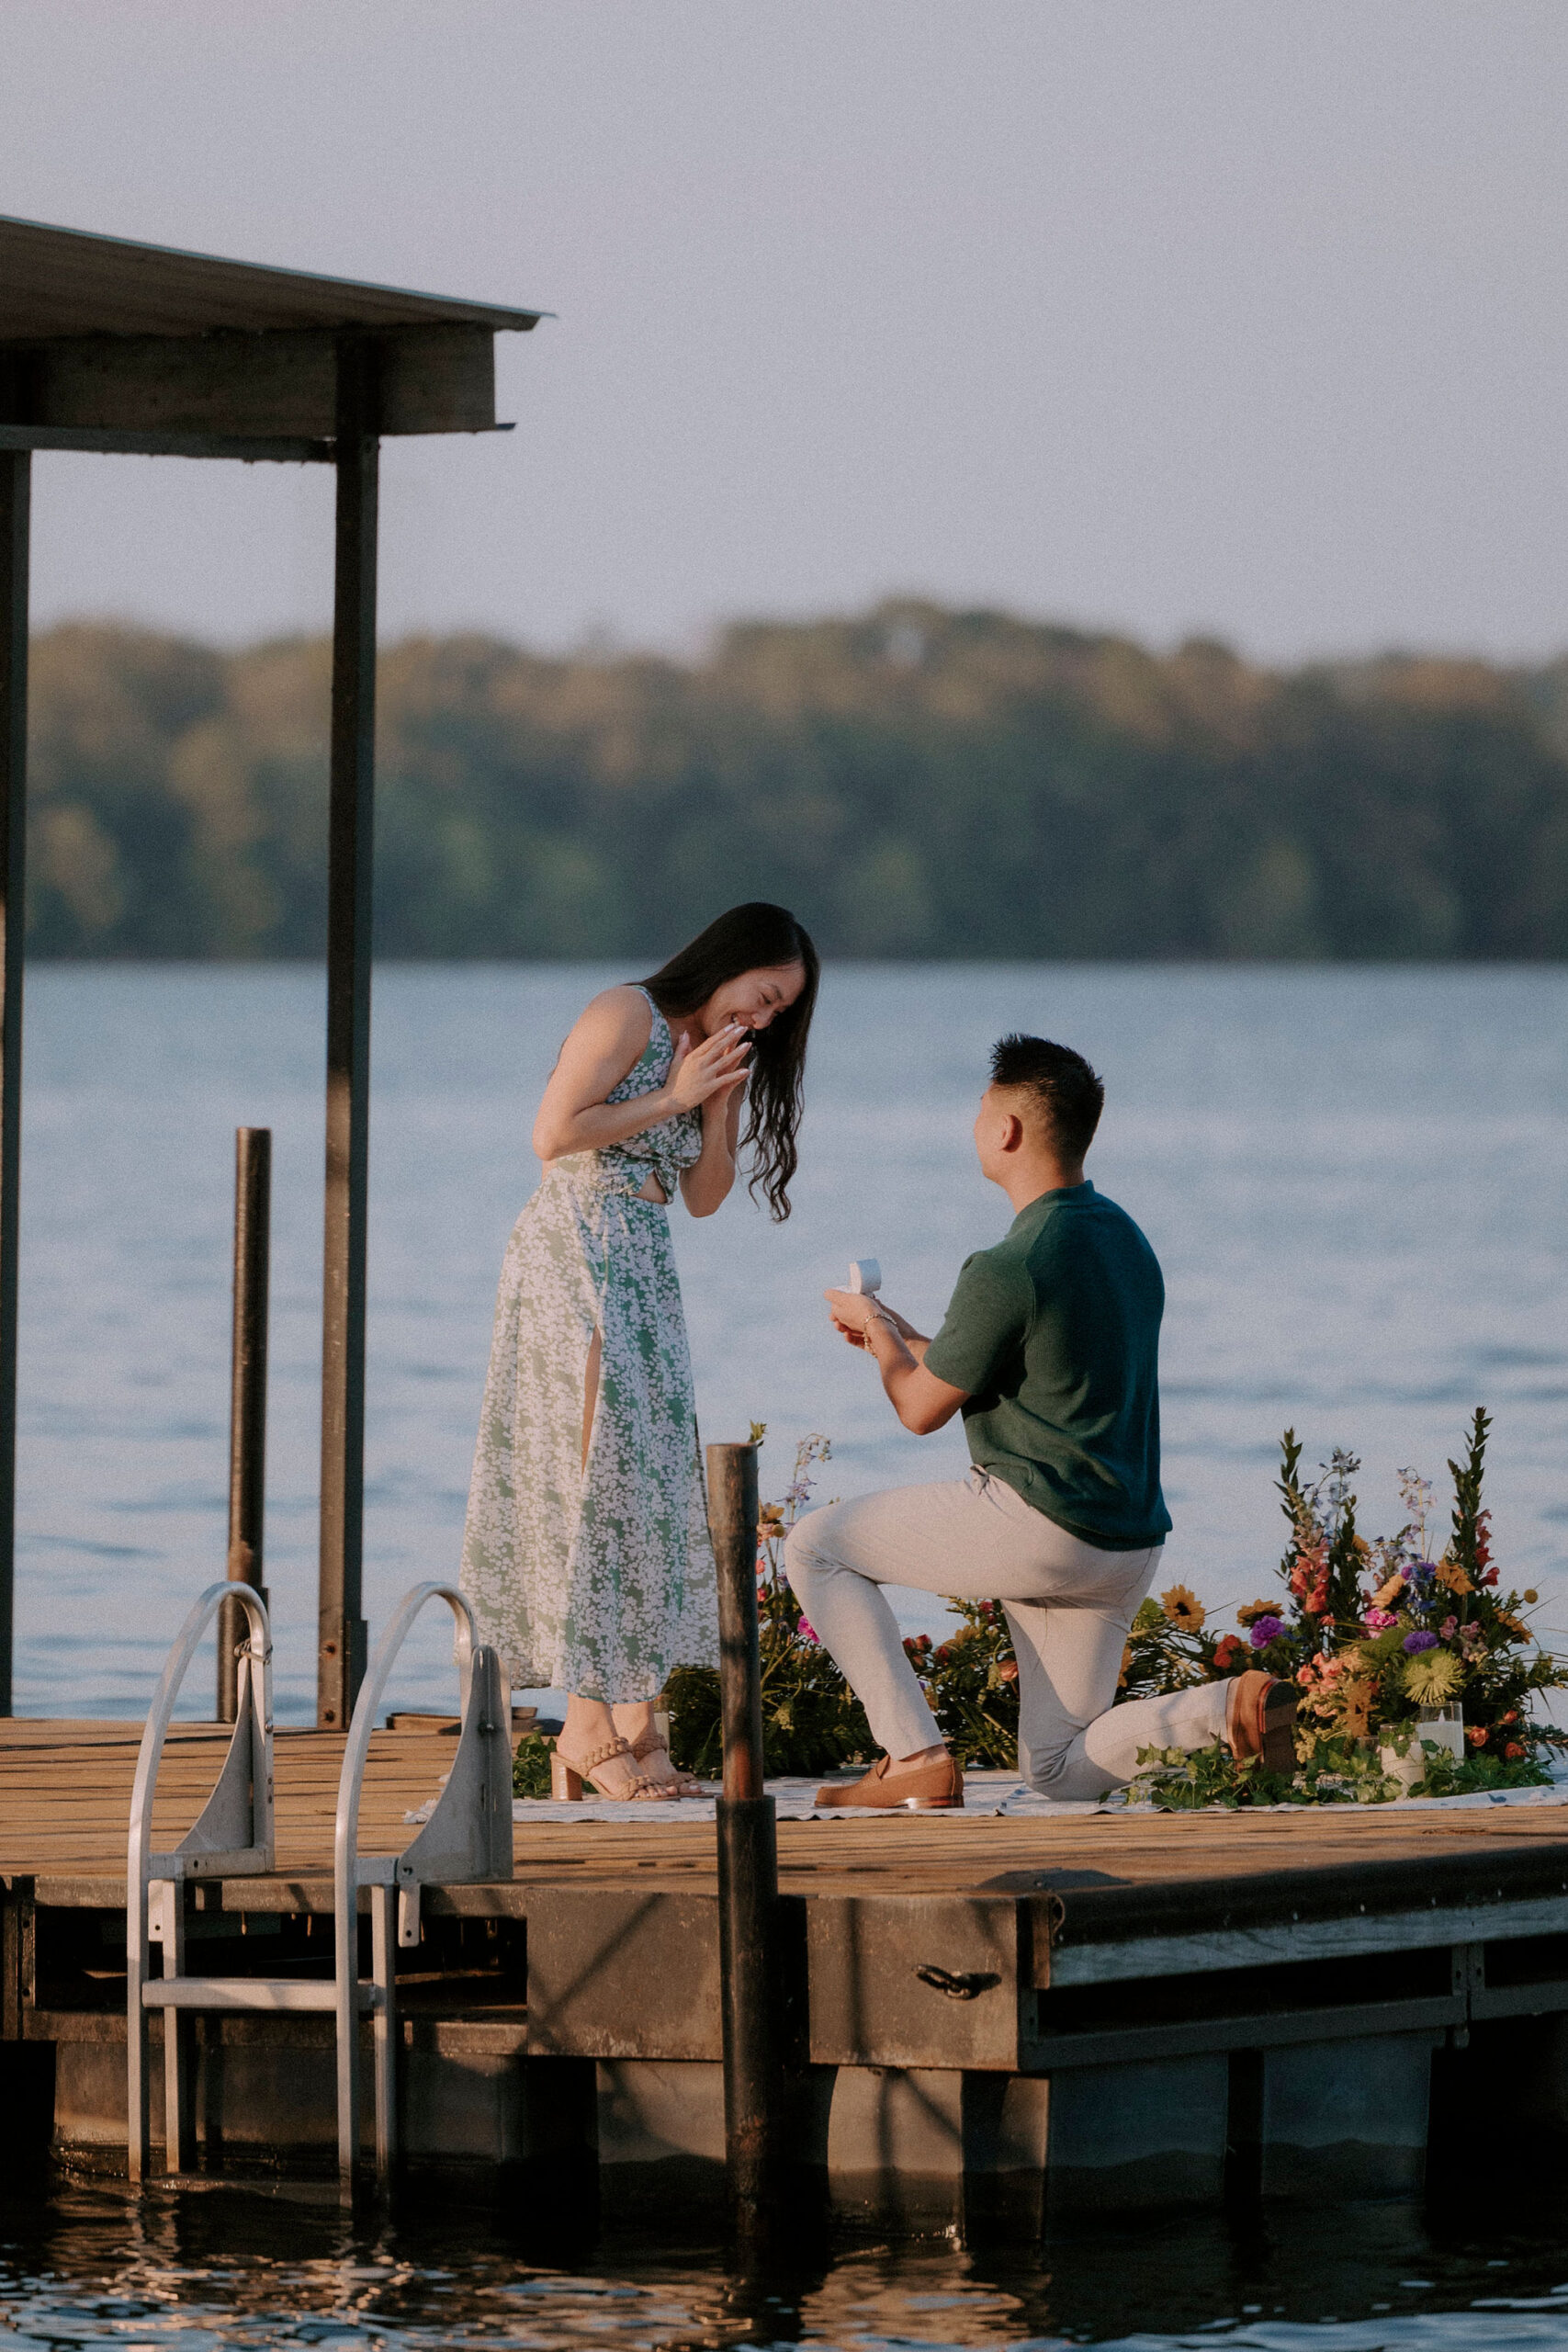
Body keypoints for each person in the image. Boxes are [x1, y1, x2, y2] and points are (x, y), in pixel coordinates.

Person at [784, 1033, 1295, 1809]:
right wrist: (900, 1336)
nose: (975, 1126)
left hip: (1040, 1526)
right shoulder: (1120, 1235)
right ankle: (1223, 1710)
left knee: (814, 1547)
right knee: (1055, 1771)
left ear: (1008, 1130)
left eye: (980, 1111)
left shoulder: (1006, 1262)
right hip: (1122, 1541)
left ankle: (914, 1757)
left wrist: (886, 1343)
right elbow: (1024, 1364)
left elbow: (918, 1408)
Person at [462, 902, 818, 1800]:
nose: (767, 1017)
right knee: (595, 1481)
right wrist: (672, 1095)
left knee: (652, 1492)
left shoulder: (715, 1054)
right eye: (766, 994)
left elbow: (701, 1198)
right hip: (574, 1251)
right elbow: (552, 1135)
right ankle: (584, 1730)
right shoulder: (629, 1014)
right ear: (732, 961)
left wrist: (720, 1100)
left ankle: (638, 1725)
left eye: (782, 1012)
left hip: (646, 1258)